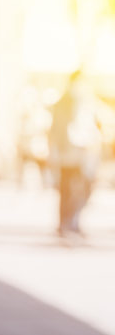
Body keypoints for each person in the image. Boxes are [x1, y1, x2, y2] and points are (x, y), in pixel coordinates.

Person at [50, 71, 103, 237]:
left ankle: (72, 222)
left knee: (81, 189)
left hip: (82, 154)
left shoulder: (86, 102)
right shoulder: (64, 103)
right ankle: (66, 223)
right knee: (68, 189)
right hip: (70, 154)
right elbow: (57, 129)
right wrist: (55, 152)